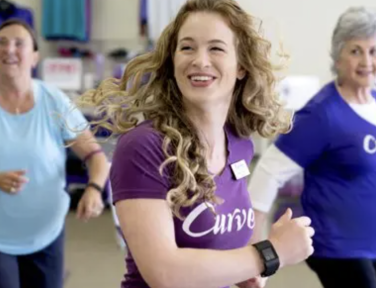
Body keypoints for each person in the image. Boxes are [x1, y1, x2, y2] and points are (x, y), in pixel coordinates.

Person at [78, 0, 315, 287]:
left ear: (241, 66)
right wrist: (268, 253)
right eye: (187, 47)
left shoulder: (239, 143)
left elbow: (223, 245)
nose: (200, 61)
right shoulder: (144, 147)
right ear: (173, 60)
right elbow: (164, 274)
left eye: (216, 48)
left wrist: (245, 272)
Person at [248, 6, 376, 288]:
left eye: (373, 51)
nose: (366, 60)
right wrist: (256, 251)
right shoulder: (322, 113)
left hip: (374, 243)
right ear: (338, 57)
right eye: (355, 50)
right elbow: (267, 173)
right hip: (334, 246)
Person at [0, 20, 110, 288]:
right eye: (1, 42)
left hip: (47, 234)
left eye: (19, 43)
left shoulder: (54, 100)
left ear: (34, 57)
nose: (9, 48)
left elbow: (95, 155)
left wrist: (93, 188)